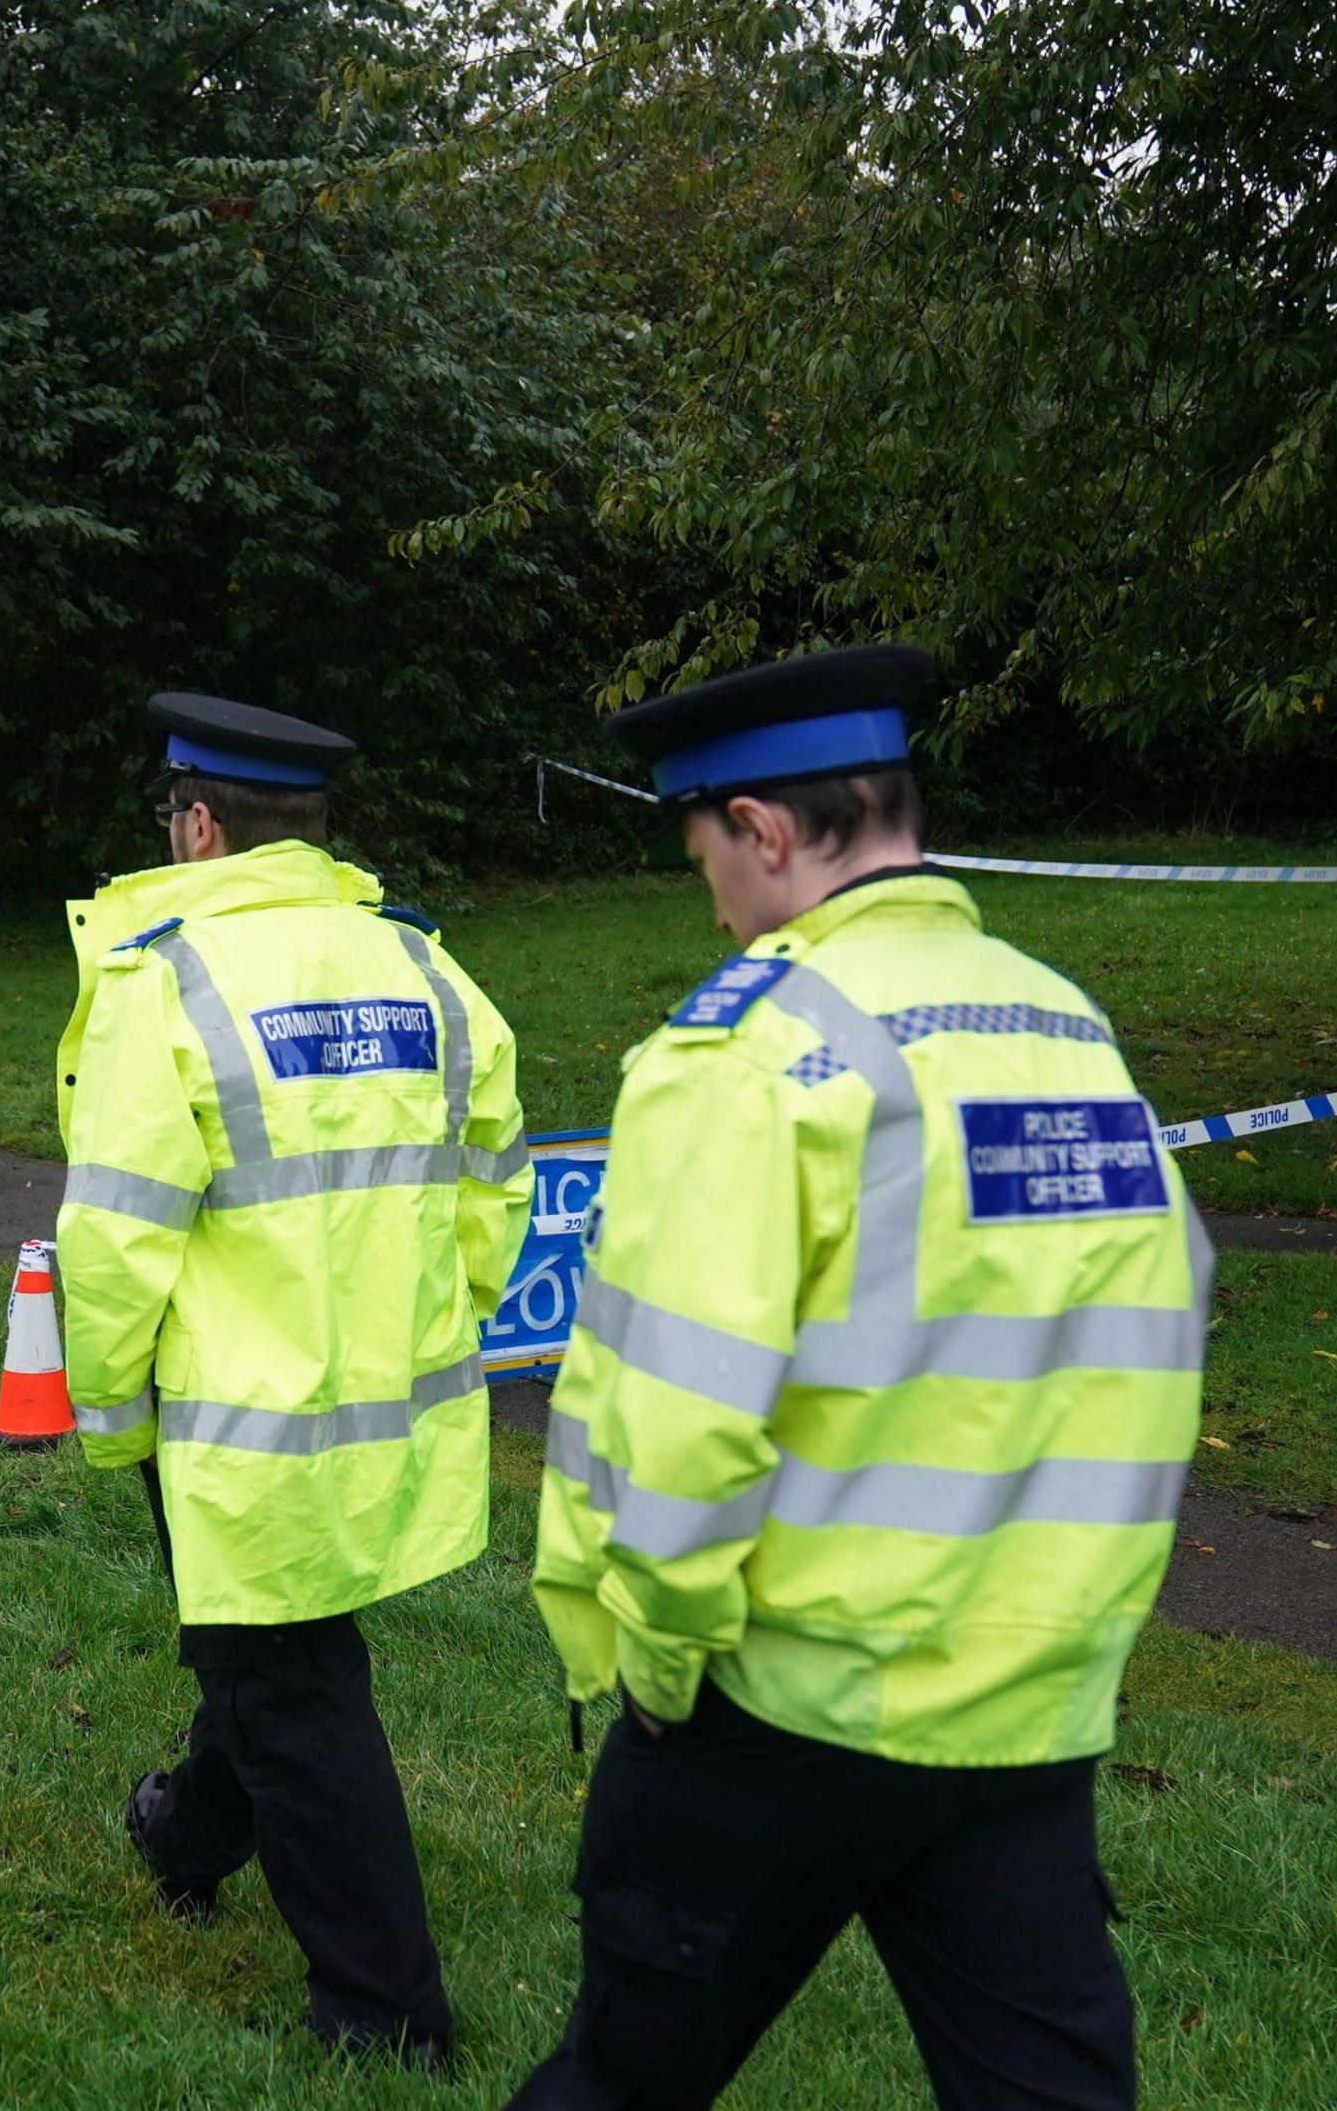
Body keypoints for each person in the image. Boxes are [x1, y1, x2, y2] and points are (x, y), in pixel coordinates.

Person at [507, 645, 1212, 2111]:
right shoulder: (1060, 1022)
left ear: (763, 829)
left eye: (700, 846)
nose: (705, 892)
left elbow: (679, 1418)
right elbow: (1165, 1314)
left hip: (781, 1707)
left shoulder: (750, 1048)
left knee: (624, 2080)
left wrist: (652, 1670)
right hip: (1027, 1701)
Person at [56, 692, 530, 2066]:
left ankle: (388, 2023)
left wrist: (112, 1420)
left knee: (294, 1686)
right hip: (393, 1404)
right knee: (262, 1650)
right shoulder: (431, 972)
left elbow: (115, 1233)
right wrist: (432, 1328)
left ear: (199, 824)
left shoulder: (169, 980)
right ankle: (185, 1832)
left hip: (236, 1425)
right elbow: (498, 1182)